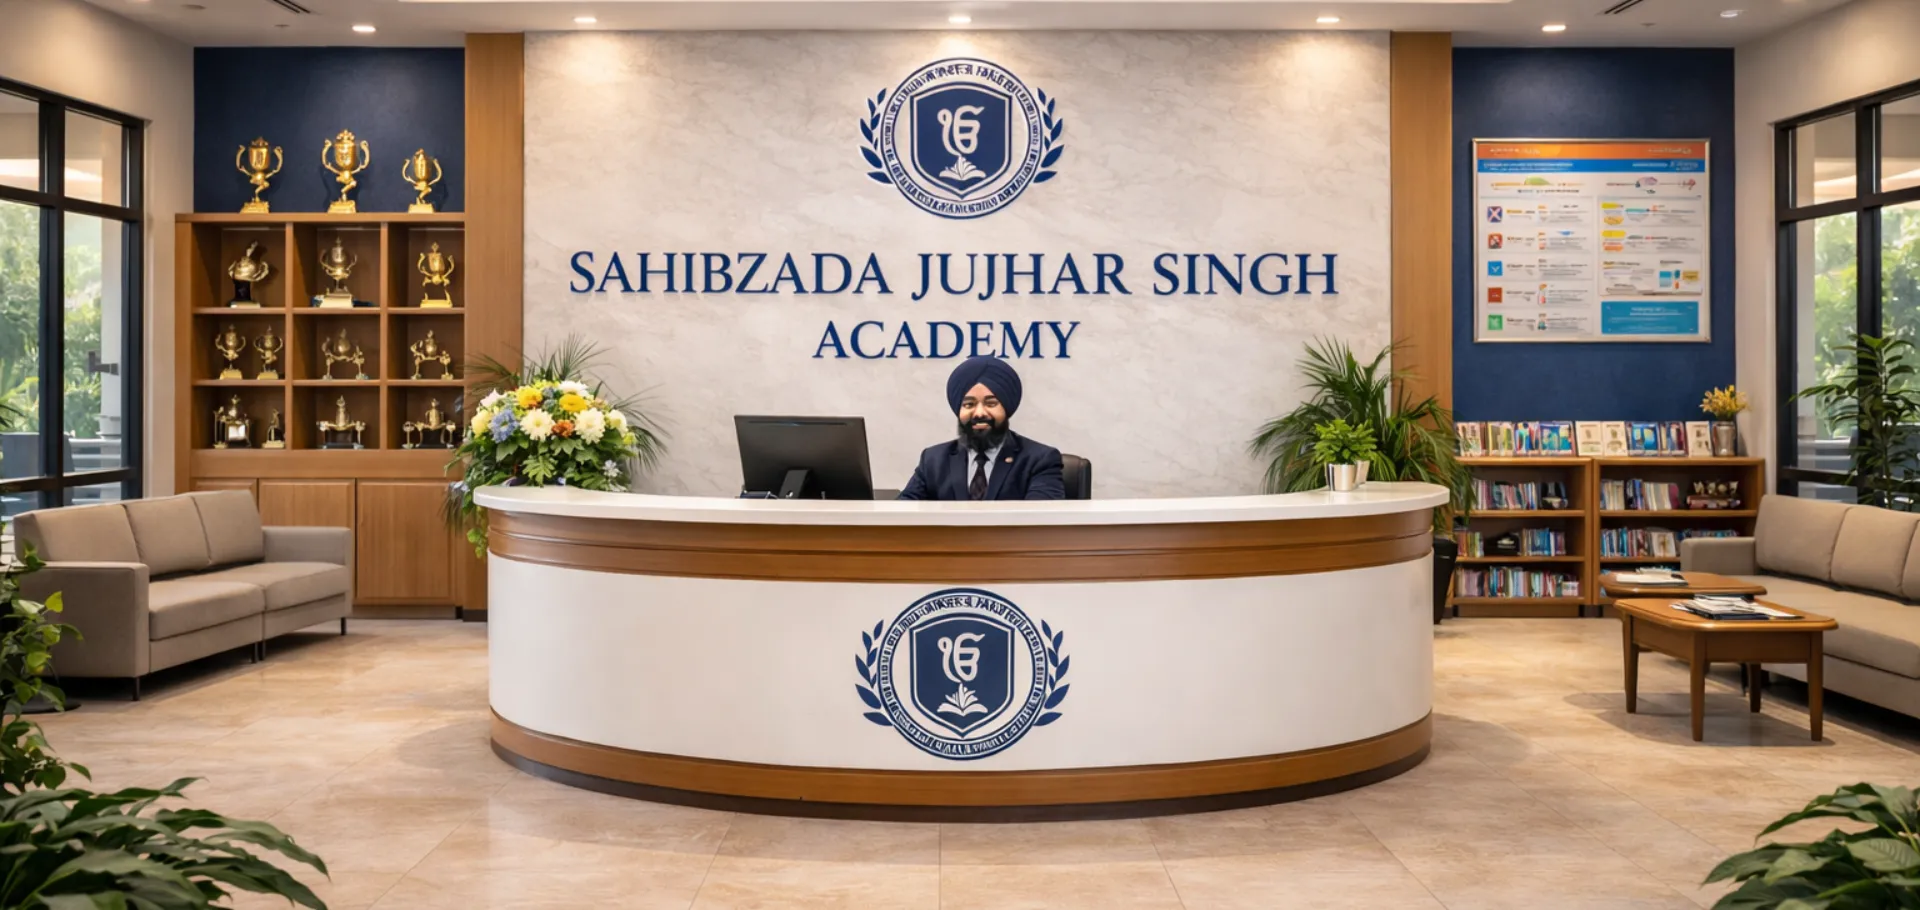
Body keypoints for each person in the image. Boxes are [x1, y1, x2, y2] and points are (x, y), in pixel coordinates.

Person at [898, 356, 1064, 501]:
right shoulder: (933, 460)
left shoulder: (1039, 460)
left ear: (1006, 408)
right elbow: (903, 513)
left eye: (990, 403)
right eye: (969, 404)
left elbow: (1041, 520)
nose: (979, 413)